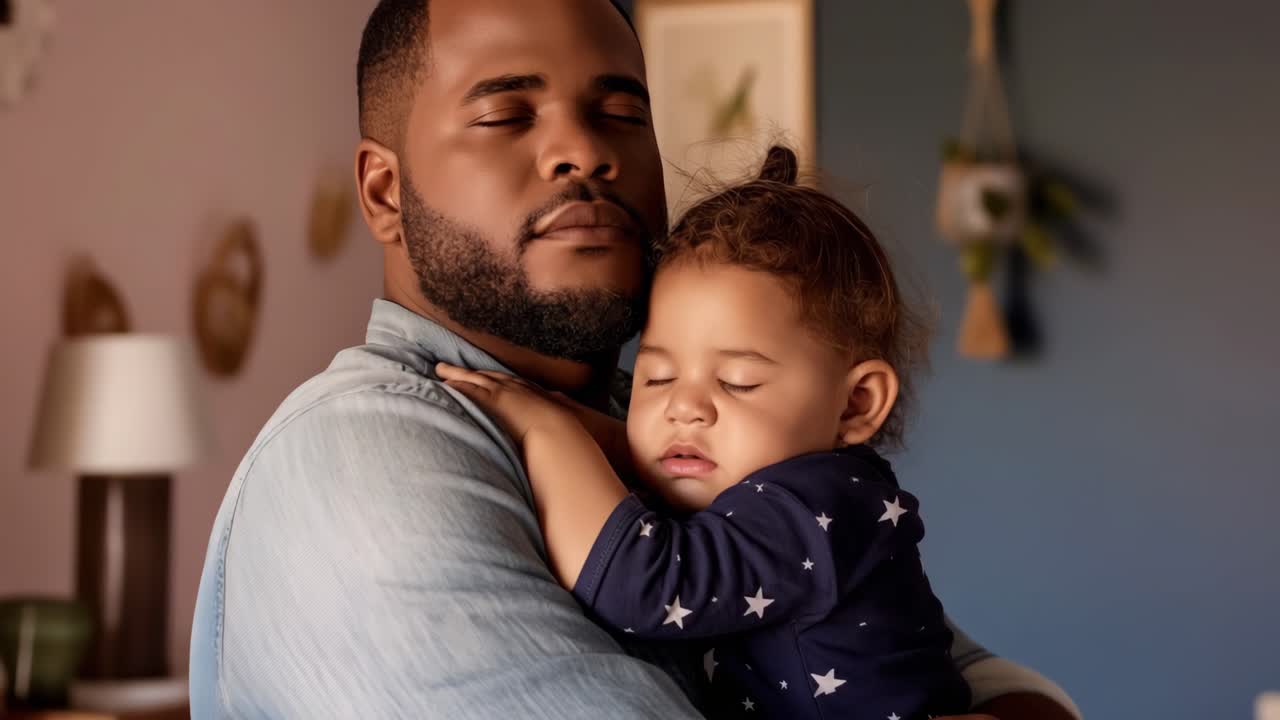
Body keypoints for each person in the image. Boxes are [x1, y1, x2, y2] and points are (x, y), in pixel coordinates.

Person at [189, 1, 1081, 718]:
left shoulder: (673, 427)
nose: (587, 151)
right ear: (385, 192)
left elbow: (941, 658)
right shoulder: (367, 456)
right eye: (506, 113)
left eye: (622, 112)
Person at [436, 145, 973, 719]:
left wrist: (546, 431)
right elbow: (651, 458)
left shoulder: (817, 505)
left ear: (855, 405)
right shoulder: (798, 486)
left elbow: (646, 586)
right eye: (657, 376)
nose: (683, 407)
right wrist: (579, 421)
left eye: (738, 382)